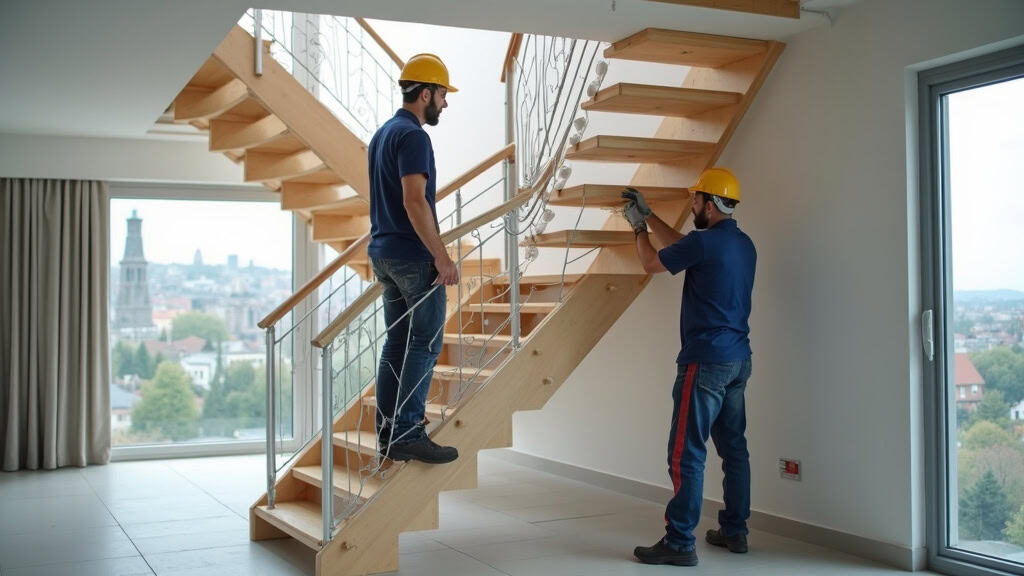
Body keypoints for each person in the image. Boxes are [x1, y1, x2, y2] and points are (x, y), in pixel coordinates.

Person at [622, 168, 756, 566]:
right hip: (738, 360)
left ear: (709, 205)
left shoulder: (703, 244)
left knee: (686, 453)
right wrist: (650, 216)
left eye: (695, 200)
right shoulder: (743, 244)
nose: (692, 205)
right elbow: (686, 246)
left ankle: (680, 542)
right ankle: (735, 530)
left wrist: (637, 229)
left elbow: (651, 263)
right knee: (734, 450)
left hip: (705, 362)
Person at [367, 53, 460, 464]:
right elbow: (414, 200)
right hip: (412, 256)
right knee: (424, 342)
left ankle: (388, 433)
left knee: (397, 343)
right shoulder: (415, 137)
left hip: (384, 255)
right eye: (441, 95)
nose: (444, 103)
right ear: (425, 93)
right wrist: (442, 257)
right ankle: (407, 430)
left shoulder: (383, 134)